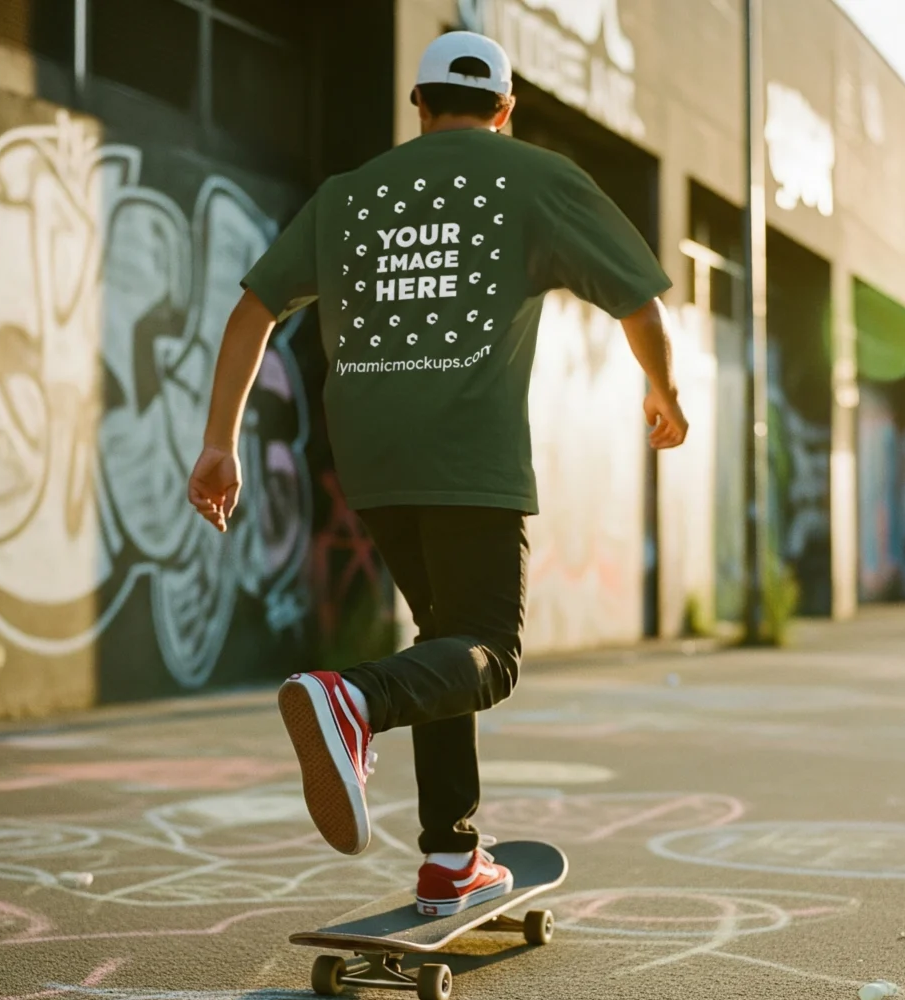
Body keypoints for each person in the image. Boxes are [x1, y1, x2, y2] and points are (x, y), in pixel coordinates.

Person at [188, 30, 688, 917]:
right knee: (490, 654)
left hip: (371, 456)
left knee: (445, 640)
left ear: (418, 104)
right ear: (506, 108)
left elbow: (252, 311)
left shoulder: (348, 195)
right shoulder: (536, 177)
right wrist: (664, 392)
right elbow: (640, 302)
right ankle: (353, 697)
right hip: (467, 452)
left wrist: (219, 443)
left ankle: (451, 856)